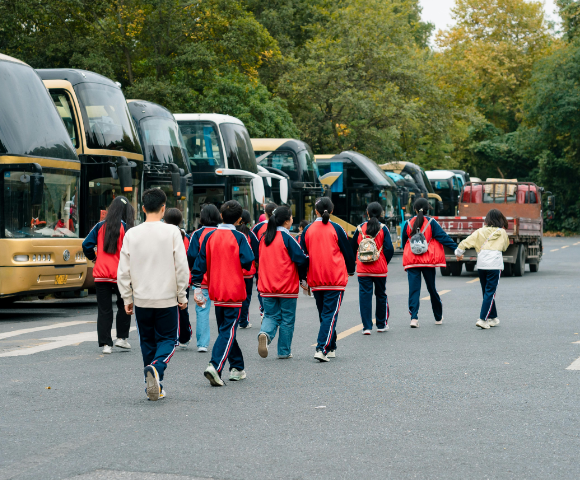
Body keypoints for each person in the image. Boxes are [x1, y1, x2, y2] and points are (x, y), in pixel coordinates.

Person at [117, 188, 189, 401]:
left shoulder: (132, 234)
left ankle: (155, 383)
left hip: (141, 299)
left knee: (147, 341)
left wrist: (126, 298)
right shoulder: (172, 232)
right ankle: (156, 369)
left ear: (142, 208)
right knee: (169, 339)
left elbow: (123, 270)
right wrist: (181, 295)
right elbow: (181, 268)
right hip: (166, 298)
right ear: (164, 208)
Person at [192, 200, 254, 386]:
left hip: (216, 289)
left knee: (225, 330)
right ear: (239, 219)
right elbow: (248, 261)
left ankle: (237, 367)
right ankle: (215, 365)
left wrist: (197, 287)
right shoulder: (240, 238)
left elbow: (199, 263)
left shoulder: (210, 237)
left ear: (221, 215)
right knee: (228, 331)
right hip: (234, 290)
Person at [300, 197, 356, 362]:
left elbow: (303, 255)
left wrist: (303, 278)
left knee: (324, 314)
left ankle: (330, 346)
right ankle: (321, 348)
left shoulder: (308, 230)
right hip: (335, 277)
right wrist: (351, 270)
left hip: (316, 277)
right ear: (331, 211)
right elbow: (347, 251)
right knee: (330, 314)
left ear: (315, 211)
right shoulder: (337, 228)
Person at [82, 196, 135, 354]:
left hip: (101, 274)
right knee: (124, 305)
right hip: (121, 274)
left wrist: (94, 258)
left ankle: (106, 344)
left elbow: (86, 245)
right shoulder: (127, 228)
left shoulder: (99, 226)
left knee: (104, 310)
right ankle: (122, 338)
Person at [256, 206, 308, 359]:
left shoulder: (264, 238)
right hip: (286, 286)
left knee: (270, 315)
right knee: (287, 319)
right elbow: (300, 258)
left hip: (266, 286)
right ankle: (284, 351)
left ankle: (265, 333)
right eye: (291, 218)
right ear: (286, 221)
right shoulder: (287, 238)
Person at [401, 197, 457, 328]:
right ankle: (438, 317)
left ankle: (414, 318)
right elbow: (443, 237)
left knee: (414, 290)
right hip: (428, 261)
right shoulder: (431, 222)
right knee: (432, 289)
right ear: (428, 209)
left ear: (414, 209)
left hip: (412, 262)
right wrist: (456, 249)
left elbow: (404, 243)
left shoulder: (408, 223)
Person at [455, 209, 510, 329]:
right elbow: (505, 247)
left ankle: (493, 317)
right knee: (490, 292)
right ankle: (482, 319)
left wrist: (458, 253)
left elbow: (465, 242)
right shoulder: (502, 233)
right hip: (494, 265)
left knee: (486, 292)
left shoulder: (479, 231)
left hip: (481, 264)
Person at [351, 202, 394, 335]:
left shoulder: (359, 228)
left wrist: (355, 261)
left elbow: (352, 248)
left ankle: (367, 327)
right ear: (381, 214)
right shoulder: (383, 228)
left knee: (365, 297)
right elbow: (389, 249)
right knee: (381, 295)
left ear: (367, 213)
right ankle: (381, 325)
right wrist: (383, 261)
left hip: (363, 269)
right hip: (380, 269)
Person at [187, 204, 221, 352]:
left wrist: (194, 273)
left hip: (202, 280)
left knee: (202, 311)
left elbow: (191, 256)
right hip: (221, 279)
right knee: (224, 311)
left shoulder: (196, 234)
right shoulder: (222, 233)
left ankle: (202, 344)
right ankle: (225, 339)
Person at [164, 207, 193, 348]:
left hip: (166, 276)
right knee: (183, 307)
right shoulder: (185, 236)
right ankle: (184, 337)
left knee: (167, 307)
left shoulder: (162, 235)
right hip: (183, 276)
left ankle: (171, 336)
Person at [252, 202, 278, 317]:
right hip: (277, 263)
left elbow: (252, 245)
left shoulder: (257, 227)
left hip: (261, 263)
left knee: (261, 287)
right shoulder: (281, 226)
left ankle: (264, 310)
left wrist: (256, 261)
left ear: (265, 213)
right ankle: (273, 311)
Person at [236, 210, 260, 329]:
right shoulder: (250, 234)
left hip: (235, 271)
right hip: (248, 272)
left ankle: (236, 318)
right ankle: (243, 320)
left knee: (236, 296)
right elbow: (257, 251)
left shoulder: (233, 233)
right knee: (246, 296)